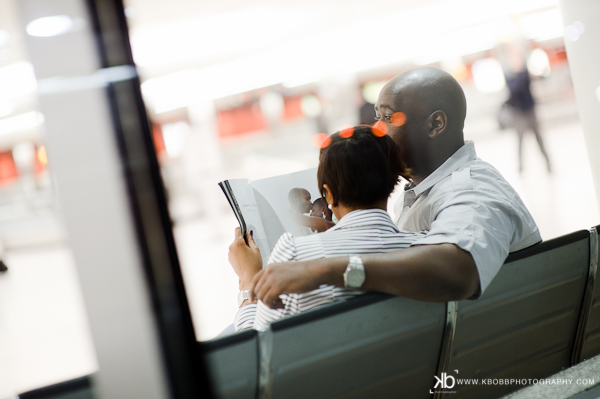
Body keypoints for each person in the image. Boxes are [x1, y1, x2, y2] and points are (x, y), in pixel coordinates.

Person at [248, 67, 541, 308]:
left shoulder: (473, 190)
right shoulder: (422, 192)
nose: (377, 130)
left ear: (435, 124)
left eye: (387, 117)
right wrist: (344, 235)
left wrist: (325, 268)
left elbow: (458, 270)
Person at [228, 126, 425, 331]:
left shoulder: (294, 256)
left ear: (328, 195)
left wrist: (248, 283)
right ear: (393, 183)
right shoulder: (427, 251)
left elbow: (254, 350)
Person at [502, 42, 552, 173]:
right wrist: (518, 71)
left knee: (540, 139)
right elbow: (514, 89)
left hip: (530, 110)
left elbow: (529, 85)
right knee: (520, 142)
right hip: (518, 114)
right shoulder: (509, 73)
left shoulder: (524, 70)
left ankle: (549, 165)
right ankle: (521, 169)